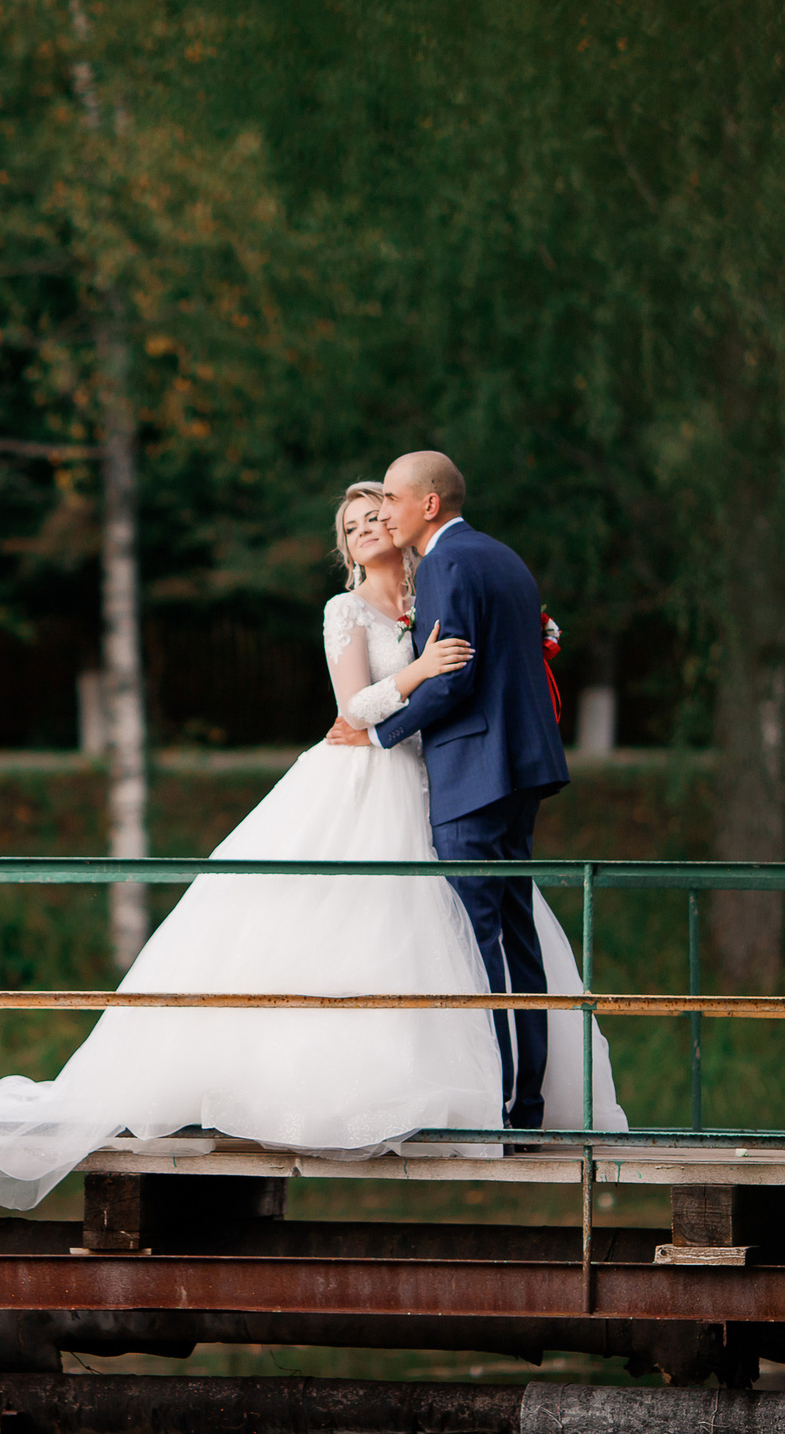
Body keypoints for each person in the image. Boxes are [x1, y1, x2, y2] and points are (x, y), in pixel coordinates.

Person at [0, 482, 622, 1210]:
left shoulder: (433, 595)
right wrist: (419, 671)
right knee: (345, 929)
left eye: (376, 514)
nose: (368, 527)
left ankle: (490, 1097)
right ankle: (339, 1097)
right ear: (346, 547)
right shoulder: (344, 610)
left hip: (435, 786)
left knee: (454, 936)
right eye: (353, 524)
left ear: (403, 522)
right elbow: (352, 709)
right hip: (358, 780)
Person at [330, 451, 571, 1134]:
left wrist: (380, 735)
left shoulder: (444, 565)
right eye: (364, 517)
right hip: (519, 768)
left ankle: (500, 1105)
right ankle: (526, 1103)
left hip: (473, 774)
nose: (384, 515)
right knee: (515, 938)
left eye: (391, 502)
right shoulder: (502, 556)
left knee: (477, 939)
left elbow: (455, 678)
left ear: (427, 504)